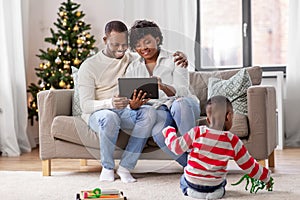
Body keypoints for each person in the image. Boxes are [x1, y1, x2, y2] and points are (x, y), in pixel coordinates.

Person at [78, 20, 188, 183]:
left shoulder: (131, 58)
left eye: (124, 45)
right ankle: (107, 167)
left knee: (149, 113)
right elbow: (85, 105)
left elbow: (152, 53)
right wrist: (109, 103)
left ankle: (126, 166)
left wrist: (182, 57)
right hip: (100, 113)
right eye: (115, 45)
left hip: (125, 111)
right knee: (110, 117)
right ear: (105, 40)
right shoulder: (89, 66)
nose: (121, 49)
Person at [162, 95, 273, 199]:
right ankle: (216, 193)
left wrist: (169, 131)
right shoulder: (233, 141)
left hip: (193, 182)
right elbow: (249, 165)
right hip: (214, 184)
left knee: (183, 179)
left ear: (208, 120)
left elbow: (175, 147)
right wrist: (266, 177)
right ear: (229, 117)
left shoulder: (197, 132)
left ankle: (191, 192)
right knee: (222, 181)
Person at [125, 20, 200, 167]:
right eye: (138, 45)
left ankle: (195, 153)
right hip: (159, 109)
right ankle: (194, 168)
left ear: (157, 39)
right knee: (159, 134)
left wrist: (163, 86)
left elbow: (183, 92)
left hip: (184, 105)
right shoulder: (133, 67)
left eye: (147, 42)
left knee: (180, 104)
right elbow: (130, 98)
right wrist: (133, 104)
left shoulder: (176, 59)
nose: (143, 48)